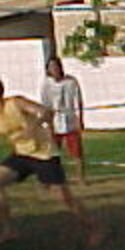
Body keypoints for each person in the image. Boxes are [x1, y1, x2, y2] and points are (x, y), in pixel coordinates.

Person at [0, 78, 102, 247]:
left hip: (44, 155)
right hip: (22, 156)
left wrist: (33, 127)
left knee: (64, 198)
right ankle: (8, 230)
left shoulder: (16, 103)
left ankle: (93, 228)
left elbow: (46, 112)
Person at [39, 56, 87, 184]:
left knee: (77, 151)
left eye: (56, 66)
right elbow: (45, 104)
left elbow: (78, 101)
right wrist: (47, 123)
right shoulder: (46, 84)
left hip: (70, 119)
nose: (54, 69)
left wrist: (80, 119)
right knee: (52, 152)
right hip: (54, 121)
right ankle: (51, 179)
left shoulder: (71, 82)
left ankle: (81, 178)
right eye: (51, 67)